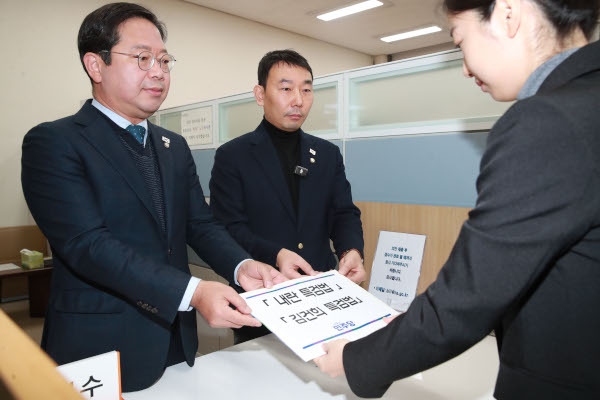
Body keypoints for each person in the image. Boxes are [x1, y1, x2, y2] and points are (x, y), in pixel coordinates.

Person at [314, 0, 600, 398]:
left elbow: (467, 297)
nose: (465, 67)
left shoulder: (546, 123)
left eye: (459, 41)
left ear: (508, 14)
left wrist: (356, 358)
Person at [21, 2, 285, 392]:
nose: (158, 72)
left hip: (175, 339)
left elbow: (200, 224)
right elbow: (87, 245)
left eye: (164, 60)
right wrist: (192, 292)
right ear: (96, 65)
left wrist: (241, 265)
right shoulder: (55, 142)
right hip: (100, 347)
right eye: (142, 58)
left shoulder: (172, 146)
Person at [209, 49, 366, 343]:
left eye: (306, 90)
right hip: (262, 299)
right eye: (286, 89)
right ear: (260, 94)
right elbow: (227, 228)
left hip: (322, 298)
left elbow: (343, 213)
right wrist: (276, 254)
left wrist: (350, 251)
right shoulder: (234, 156)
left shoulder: (327, 154)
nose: (298, 100)